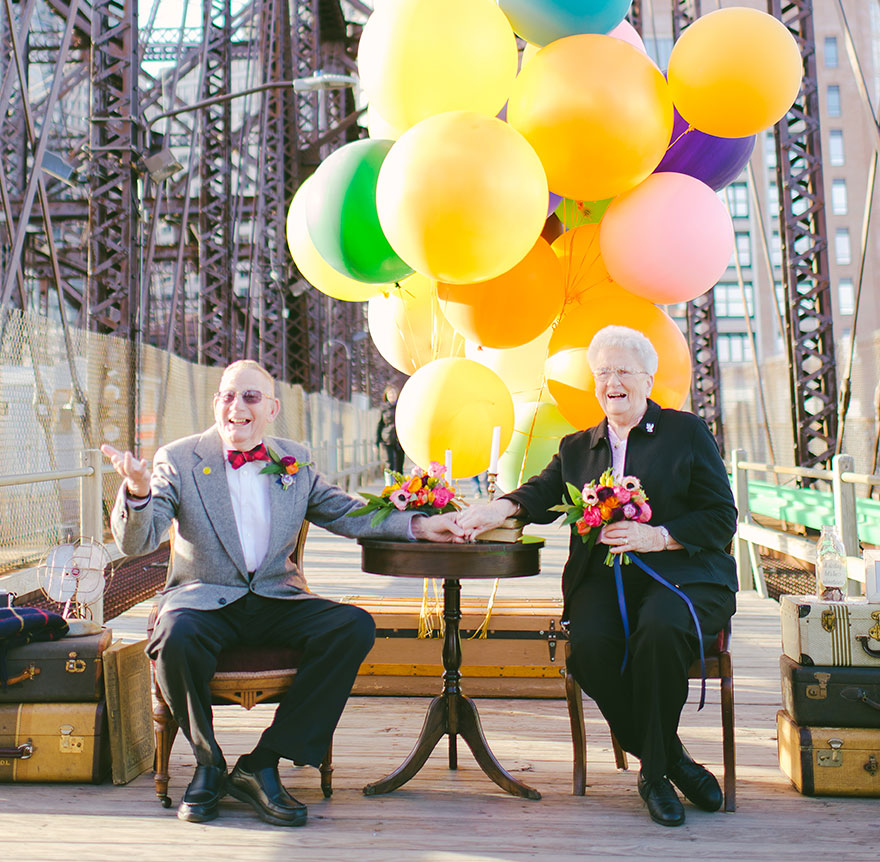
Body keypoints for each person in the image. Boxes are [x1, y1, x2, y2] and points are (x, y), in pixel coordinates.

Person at [102, 358, 462, 828]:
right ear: (216, 404)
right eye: (228, 395)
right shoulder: (180, 459)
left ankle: (263, 762)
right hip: (204, 600)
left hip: (276, 598)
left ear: (272, 409)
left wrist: (418, 525)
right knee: (174, 635)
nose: (237, 406)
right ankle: (208, 764)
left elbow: (345, 512)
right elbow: (138, 541)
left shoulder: (295, 458)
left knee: (352, 626)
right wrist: (136, 492)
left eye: (251, 396)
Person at [454, 325, 737, 828]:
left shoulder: (686, 432)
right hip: (605, 581)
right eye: (603, 372)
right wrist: (496, 509)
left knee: (660, 629)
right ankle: (673, 759)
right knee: (587, 647)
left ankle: (653, 776)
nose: (612, 382)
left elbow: (722, 516)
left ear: (648, 379)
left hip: (683, 573)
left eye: (624, 371)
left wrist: (658, 536)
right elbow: (538, 494)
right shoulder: (577, 448)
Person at [376, 385, 405, 476]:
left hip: (399, 439)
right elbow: (380, 425)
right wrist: (377, 441)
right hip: (387, 439)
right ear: (386, 396)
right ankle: (389, 483)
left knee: (399, 465)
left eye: (393, 393)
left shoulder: (402, 406)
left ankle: (399, 483)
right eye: (390, 394)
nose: (392, 396)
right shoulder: (383, 409)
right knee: (389, 464)